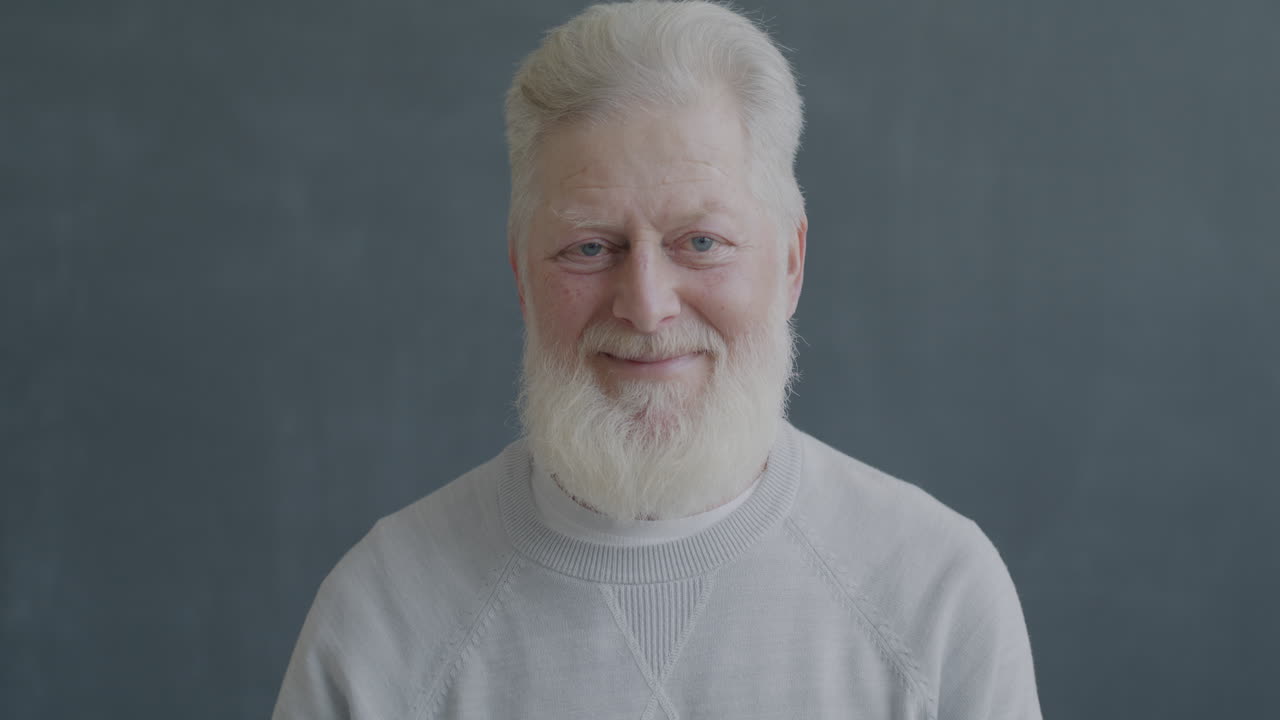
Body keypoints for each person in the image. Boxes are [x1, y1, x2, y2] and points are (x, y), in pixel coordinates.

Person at [272, 2, 1042, 718]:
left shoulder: (936, 595)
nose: (646, 306)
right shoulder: (383, 616)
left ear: (791, 263)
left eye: (701, 243)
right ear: (521, 275)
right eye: (590, 247)